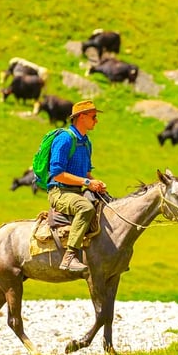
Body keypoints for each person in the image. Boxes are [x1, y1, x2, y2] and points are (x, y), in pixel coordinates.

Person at [47, 99, 108, 273]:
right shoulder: (64, 139)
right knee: (86, 208)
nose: (96, 120)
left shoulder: (86, 142)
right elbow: (57, 173)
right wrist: (88, 183)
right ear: (81, 117)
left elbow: (86, 173)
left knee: (107, 204)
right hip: (59, 192)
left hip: (77, 190)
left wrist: (96, 183)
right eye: (94, 116)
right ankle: (69, 257)